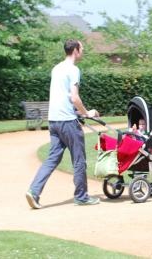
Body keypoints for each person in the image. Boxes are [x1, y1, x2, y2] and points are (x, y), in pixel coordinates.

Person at [26, 40, 101, 209]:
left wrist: (76, 112)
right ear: (75, 50)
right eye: (82, 49)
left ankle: (34, 191)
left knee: (52, 159)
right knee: (79, 159)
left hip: (53, 121)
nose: (83, 51)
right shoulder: (73, 70)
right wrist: (86, 113)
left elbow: (62, 96)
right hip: (67, 122)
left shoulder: (56, 68)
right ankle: (81, 197)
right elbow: (74, 97)